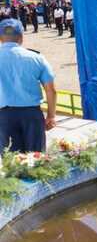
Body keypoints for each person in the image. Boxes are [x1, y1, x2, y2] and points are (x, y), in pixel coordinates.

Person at [0, 19, 57, 152]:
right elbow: (51, 90)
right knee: (36, 160)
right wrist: (51, 116)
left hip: (3, 117)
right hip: (32, 115)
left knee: (11, 162)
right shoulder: (36, 58)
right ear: (21, 37)